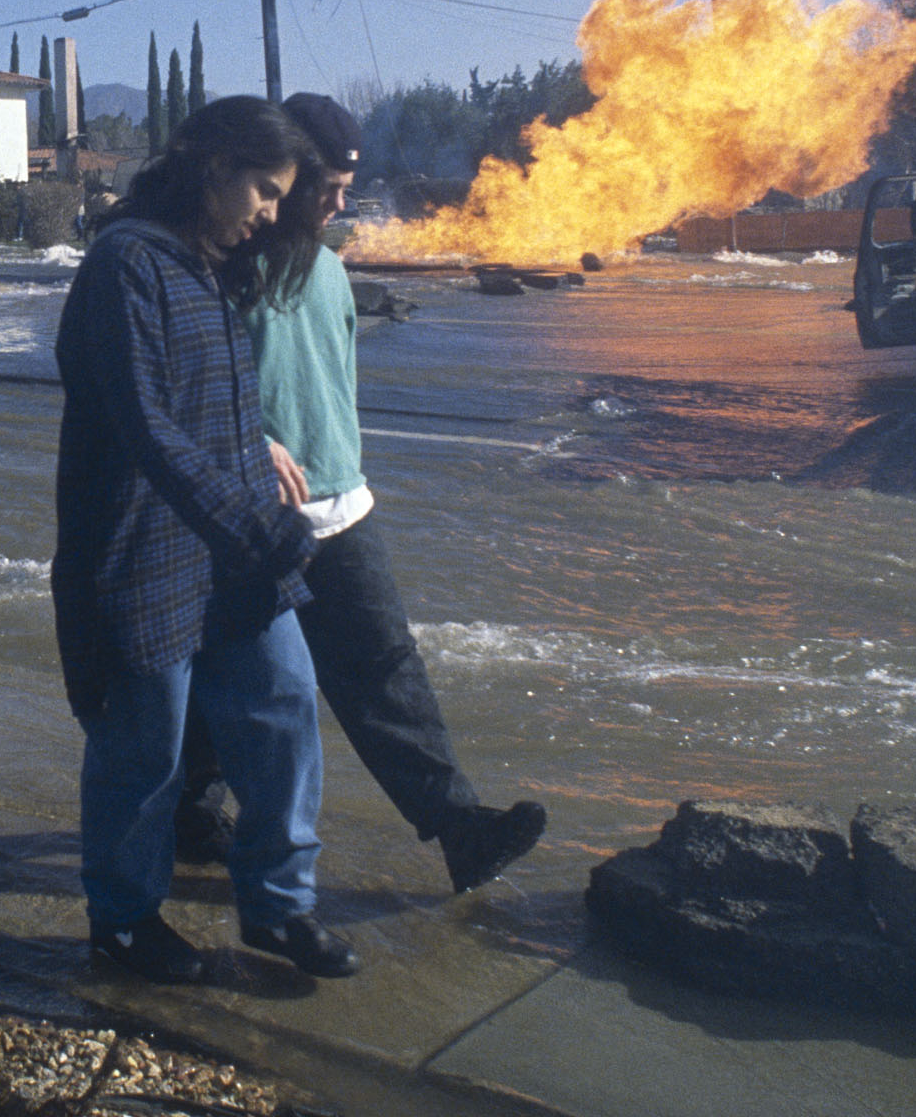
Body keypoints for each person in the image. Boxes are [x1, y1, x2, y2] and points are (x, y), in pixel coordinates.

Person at [177, 94, 548, 893]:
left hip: (343, 506)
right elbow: (187, 380)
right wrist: (242, 451)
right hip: (247, 513)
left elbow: (335, 383)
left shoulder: (333, 270)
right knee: (234, 674)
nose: (343, 204)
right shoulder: (219, 264)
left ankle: (461, 829)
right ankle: (188, 808)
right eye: (330, 187)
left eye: (351, 186)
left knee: (385, 668)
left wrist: (344, 467)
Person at [54, 95, 355, 986]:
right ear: (212, 166)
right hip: (140, 550)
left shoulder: (204, 263)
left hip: (226, 556)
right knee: (142, 751)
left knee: (285, 711)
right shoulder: (126, 266)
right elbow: (148, 425)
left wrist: (254, 438)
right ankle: (123, 922)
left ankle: (280, 906)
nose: (271, 212)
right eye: (264, 190)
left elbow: (205, 394)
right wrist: (261, 527)